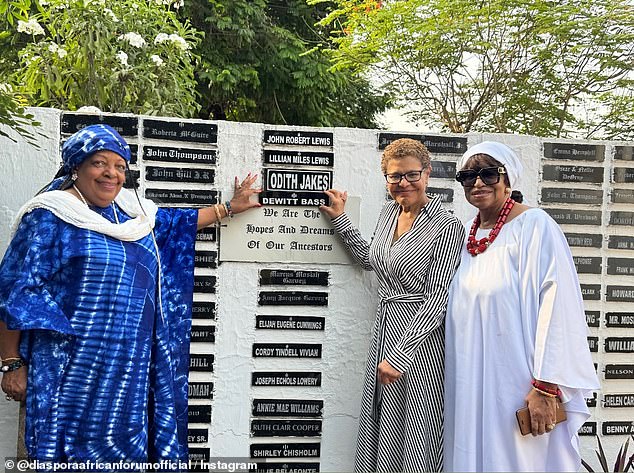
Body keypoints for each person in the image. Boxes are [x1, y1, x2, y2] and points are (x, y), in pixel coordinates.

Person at [0, 124, 260, 466]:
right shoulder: (50, 217)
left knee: (124, 450)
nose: (112, 174)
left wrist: (228, 208)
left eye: (120, 166)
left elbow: (175, 224)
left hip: (128, 372)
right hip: (70, 370)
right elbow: (15, 292)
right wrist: (11, 363)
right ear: (75, 167)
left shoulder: (133, 216)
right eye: (99, 163)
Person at [444, 141, 600, 472]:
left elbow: (558, 309)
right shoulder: (470, 238)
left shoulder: (535, 227)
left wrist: (545, 386)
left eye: (488, 173)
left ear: (509, 178)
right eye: (468, 175)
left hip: (519, 384)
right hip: (471, 382)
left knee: (520, 459)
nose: (478, 182)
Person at [320, 138, 464, 472]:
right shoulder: (389, 212)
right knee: (381, 428)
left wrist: (401, 354)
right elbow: (372, 260)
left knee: (416, 431)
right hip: (384, 330)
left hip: (420, 346)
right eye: (394, 176)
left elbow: (439, 297)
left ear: (427, 174)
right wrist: (340, 220)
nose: (403, 183)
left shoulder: (447, 225)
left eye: (411, 175)